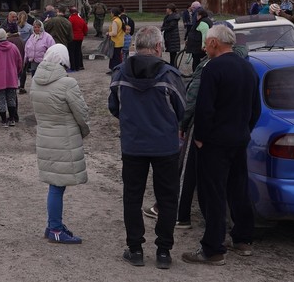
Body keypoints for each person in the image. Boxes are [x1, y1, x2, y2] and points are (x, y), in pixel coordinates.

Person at [182, 24, 260, 266]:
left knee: (213, 193)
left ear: (215, 42)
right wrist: (245, 129)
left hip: (214, 141)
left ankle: (213, 248)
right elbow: (255, 108)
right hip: (239, 138)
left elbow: (205, 107)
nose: (204, 47)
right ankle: (243, 239)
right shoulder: (248, 68)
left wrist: (199, 136)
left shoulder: (213, 68)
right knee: (239, 188)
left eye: (206, 42)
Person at [109, 26, 185, 269]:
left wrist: (132, 121)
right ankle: (163, 251)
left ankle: (135, 249)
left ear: (135, 45)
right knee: (167, 198)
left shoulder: (119, 73)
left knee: (132, 197)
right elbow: (182, 109)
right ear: (158, 47)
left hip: (133, 145)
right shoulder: (170, 75)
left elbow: (114, 107)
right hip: (165, 146)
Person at [31, 44, 90, 244]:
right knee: (57, 186)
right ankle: (55, 228)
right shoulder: (67, 83)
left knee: (55, 184)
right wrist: (84, 131)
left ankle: (53, 225)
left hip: (45, 137)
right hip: (64, 138)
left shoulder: (35, 81)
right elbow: (81, 113)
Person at [68, 6, 88, 71]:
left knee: (72, 52)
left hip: (72, 37)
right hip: (80, 37)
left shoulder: (70, 19)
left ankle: (73, 66)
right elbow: (85, 28)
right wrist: (84, 34)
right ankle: (79, 65)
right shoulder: (81, 19)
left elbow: (68, 28)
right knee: (78, 51)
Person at [107, 8, 125, 75]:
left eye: (111, 12)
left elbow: (114, 33)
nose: (110, 14)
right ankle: (115, 69)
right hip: (120, 41)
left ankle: (116, 70)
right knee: (117, 57)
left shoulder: (115, 21)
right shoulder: (120, 20)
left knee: (115, 57)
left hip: (115, 42)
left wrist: (108, 33)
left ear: (113, 13)